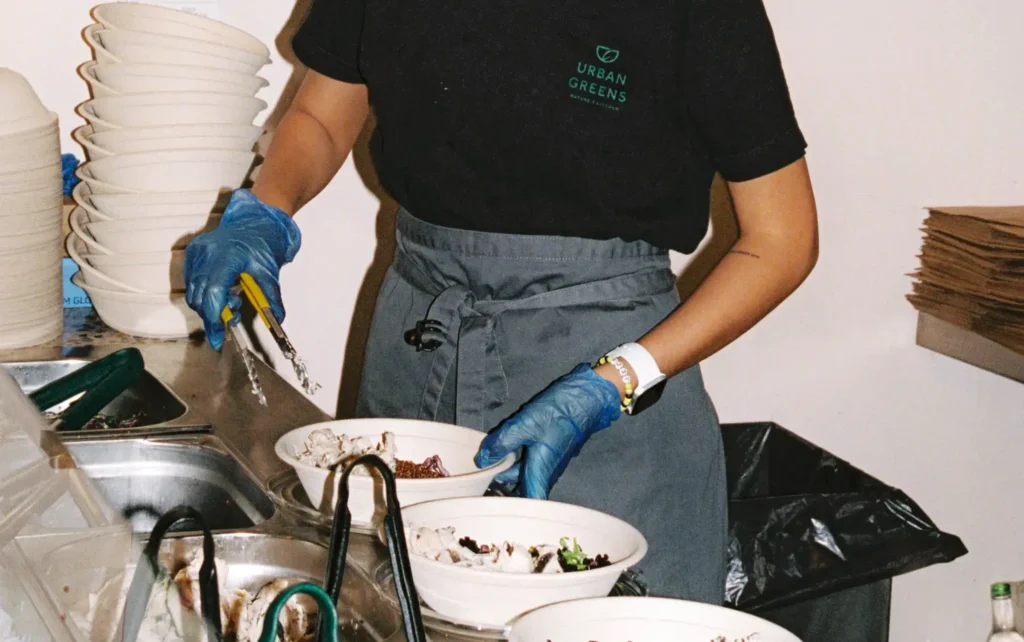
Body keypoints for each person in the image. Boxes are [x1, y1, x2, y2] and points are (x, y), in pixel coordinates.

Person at [184, 0, 818, 602]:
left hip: (606, 377)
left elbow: (783, 241)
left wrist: (618, 379)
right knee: (393, 611)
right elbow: (322, 116)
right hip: (419, 350)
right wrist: (263, 215)